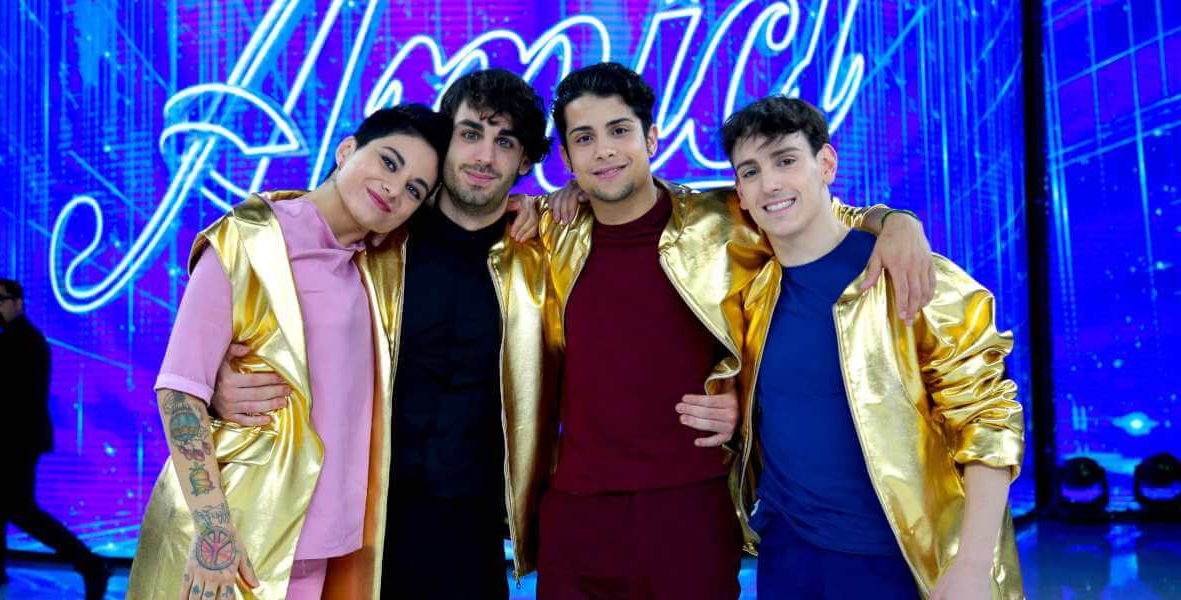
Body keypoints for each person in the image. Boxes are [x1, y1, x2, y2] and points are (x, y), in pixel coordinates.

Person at [211, 69, 734, 600]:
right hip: (353, 522)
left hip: (473, 533)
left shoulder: (541, 251)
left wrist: (733, 389)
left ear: (526, 162)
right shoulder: (377, 238)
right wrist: (217, 379)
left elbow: (637, 327)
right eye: (470, 134)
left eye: (504, 142)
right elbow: (276, 262)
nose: (484, 156)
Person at [532, 62, 935, 599]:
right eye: (585, 138)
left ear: (652, 137)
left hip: (692, 508)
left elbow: (818, 212)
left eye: (620, 130)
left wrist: (895, 221)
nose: (604, 150)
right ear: (566, 158)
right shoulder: (548, 235)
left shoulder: (724, 219)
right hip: (578, 513)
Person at [127, 104, 453, 600]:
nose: (394, 188)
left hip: (326, 547)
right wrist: (215, 532)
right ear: (346, 149)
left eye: (414, 189)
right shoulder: (249, 241)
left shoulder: (377, 267)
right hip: (239, 535)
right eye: (388, 162)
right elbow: (180, 391)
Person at [720, 96, 1024, 599]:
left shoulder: (911, 275)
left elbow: (987, 420)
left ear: (826, 163)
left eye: (786, 160)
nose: (769, 183)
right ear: (740, 192)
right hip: (788, 555)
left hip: (900, 560)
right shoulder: (749, 289)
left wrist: (972, 565)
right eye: (750, 171)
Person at [0, 279, 110, 600]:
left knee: (14, 511)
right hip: (7, 441)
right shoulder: (14, 339)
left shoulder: (24, 340)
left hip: (13, 442)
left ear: (18, 302)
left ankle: (89, 564)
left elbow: (15, 395)